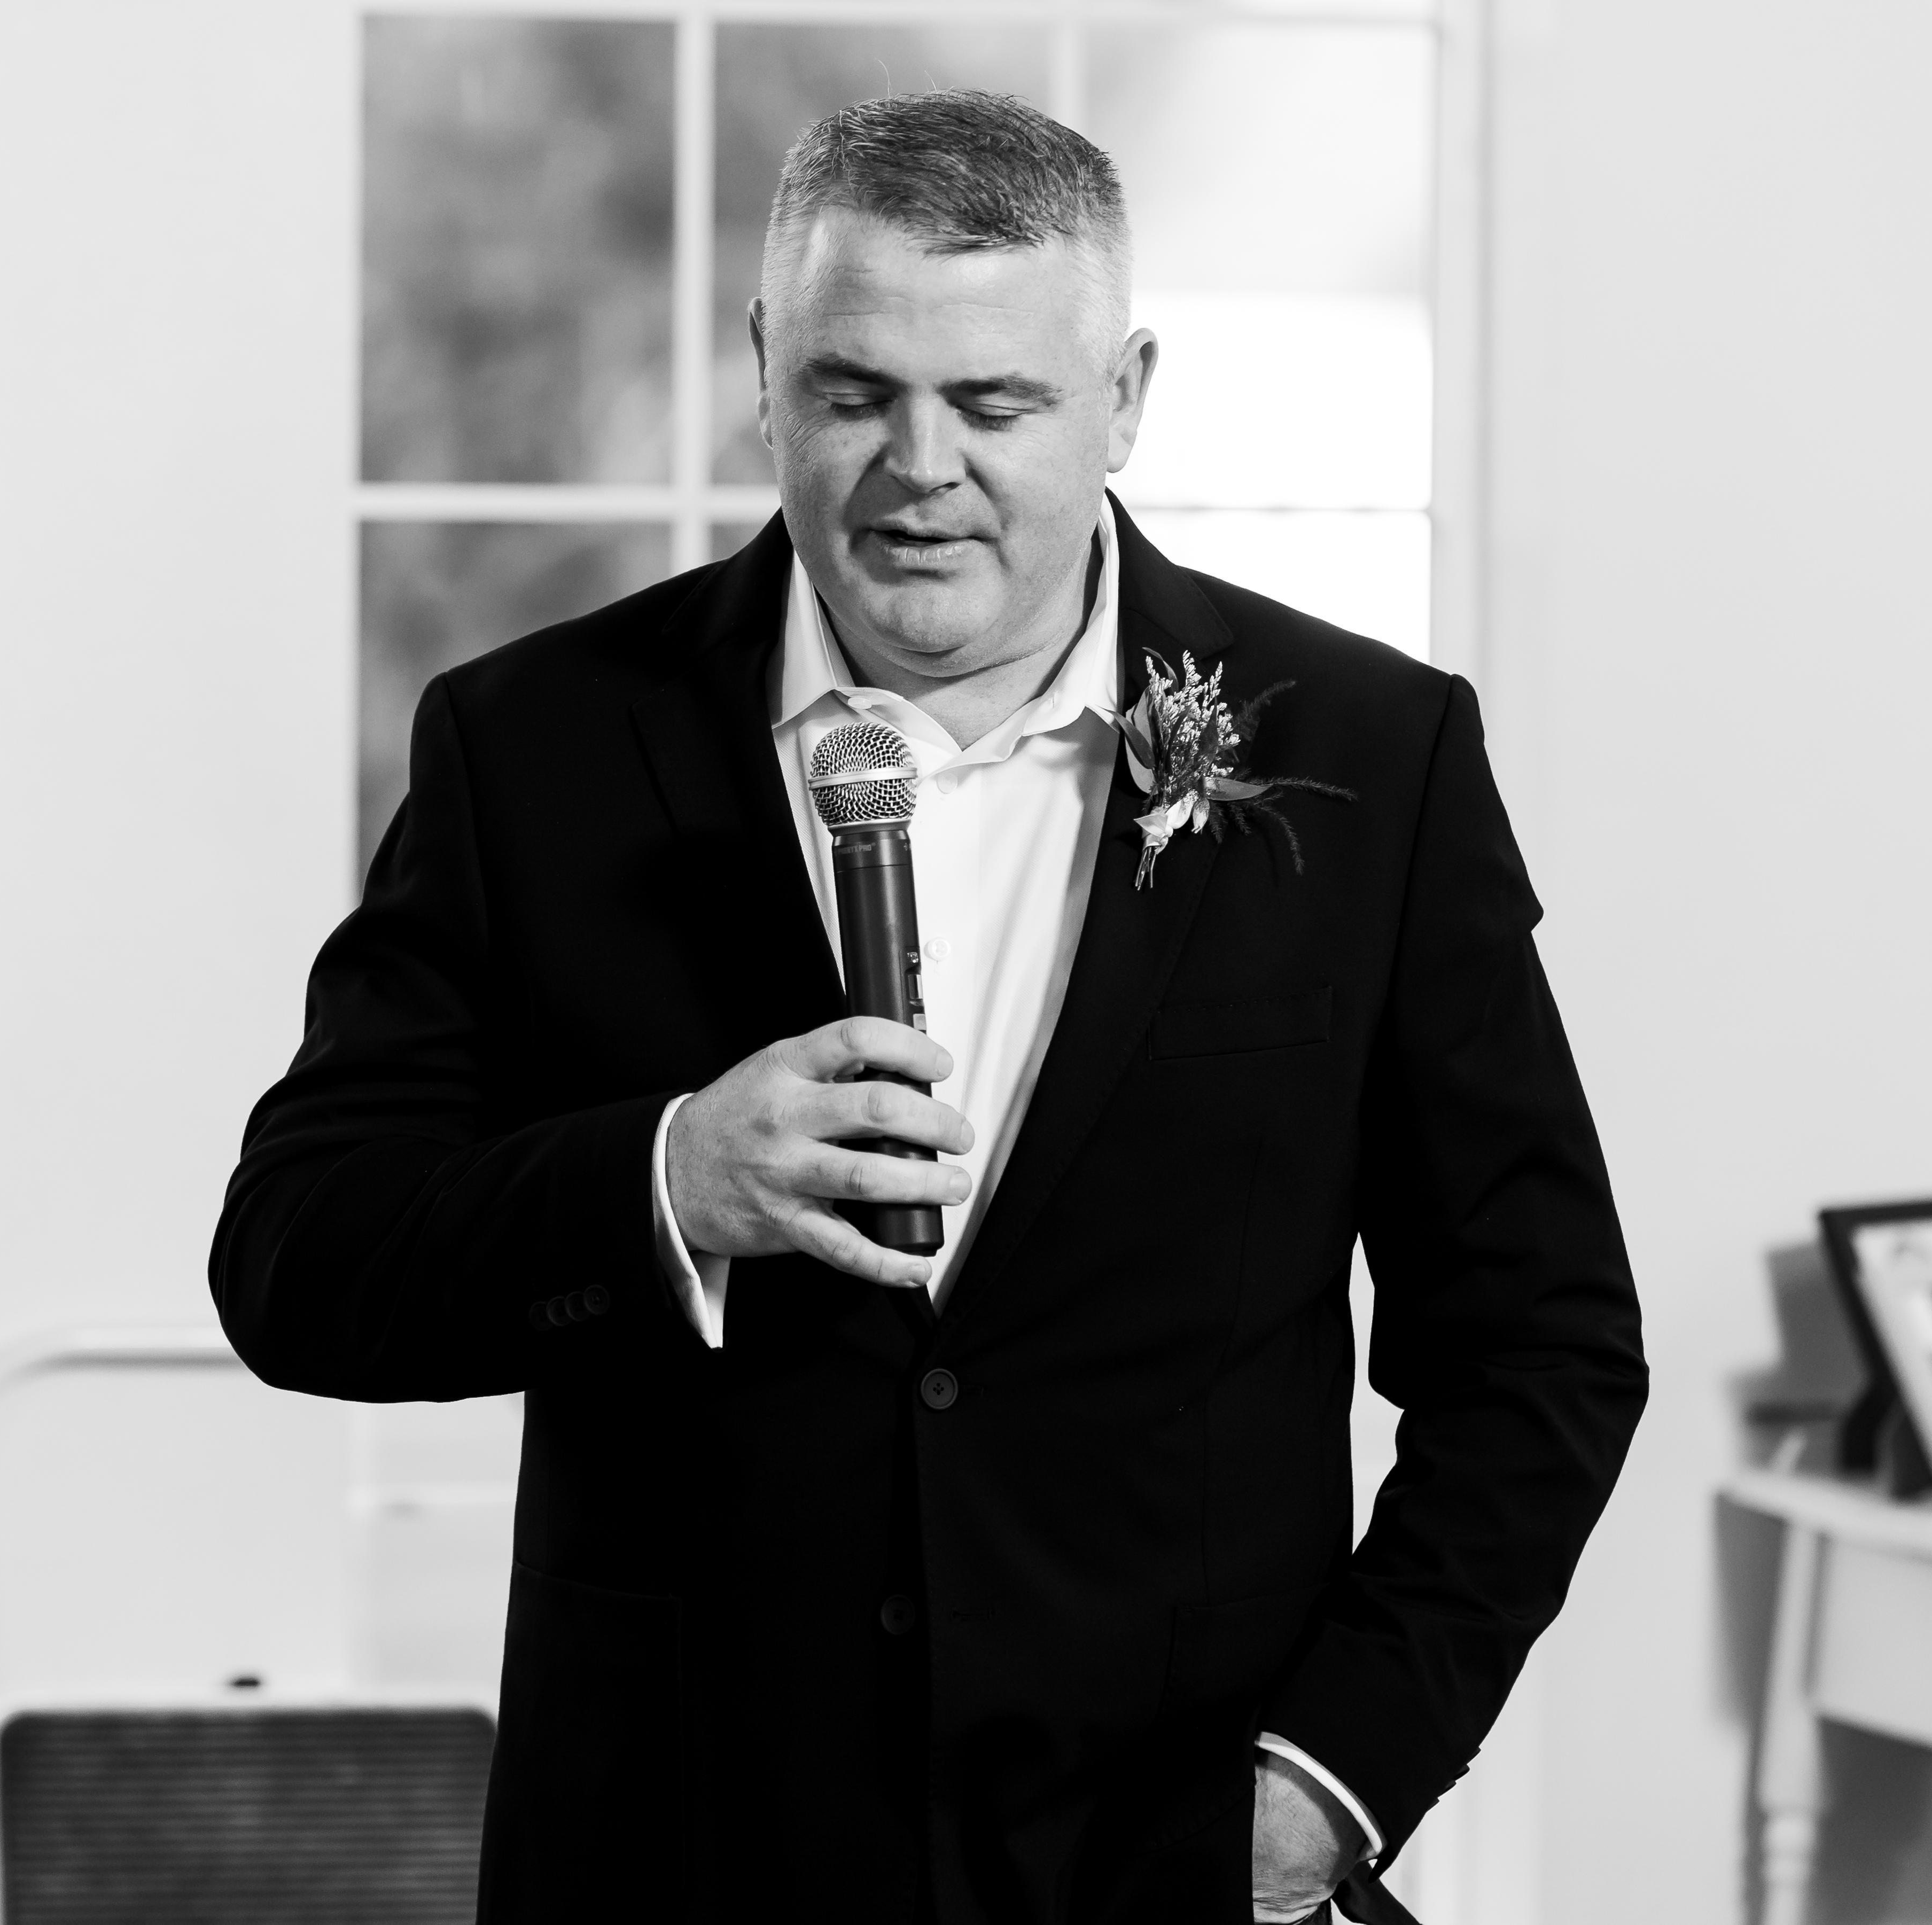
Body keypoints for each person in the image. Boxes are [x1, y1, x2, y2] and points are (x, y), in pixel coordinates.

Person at [212, 89, 1643, 1925]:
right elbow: (298, 1262)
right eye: (851, 392)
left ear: (1123, 398)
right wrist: (666, 1179)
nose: (919, 469)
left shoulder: (1376, 757)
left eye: (993, 403)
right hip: (676, 1855)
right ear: (762, 372)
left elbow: (1539, 1344)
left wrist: (1327, 1782)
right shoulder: (529, 745)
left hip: (1174, 1869)